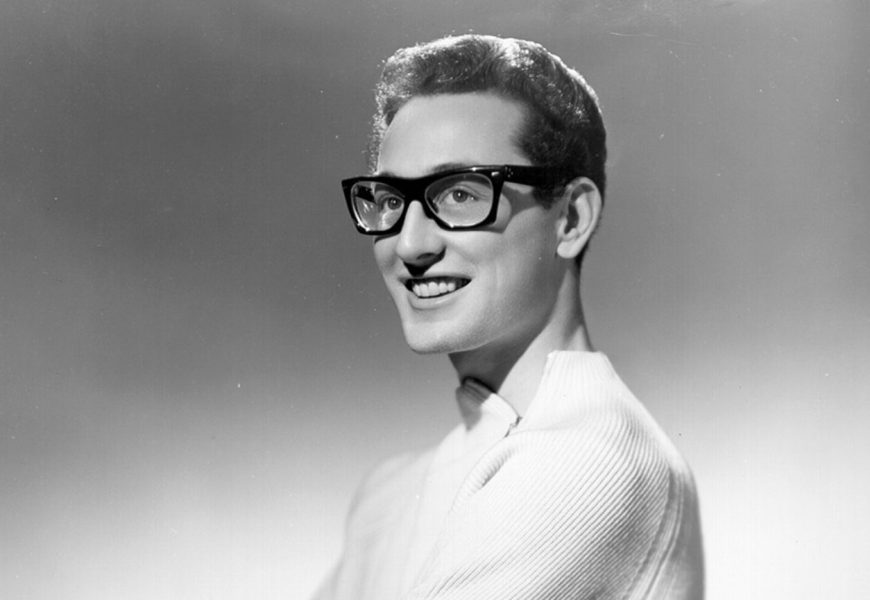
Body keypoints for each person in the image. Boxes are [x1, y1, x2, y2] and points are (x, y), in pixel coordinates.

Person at [315, 34, 704, 599]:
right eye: (392, 201)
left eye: (461, 194)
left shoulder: (594, 461)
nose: (410, 244)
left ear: (571, 219)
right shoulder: (389, 495)